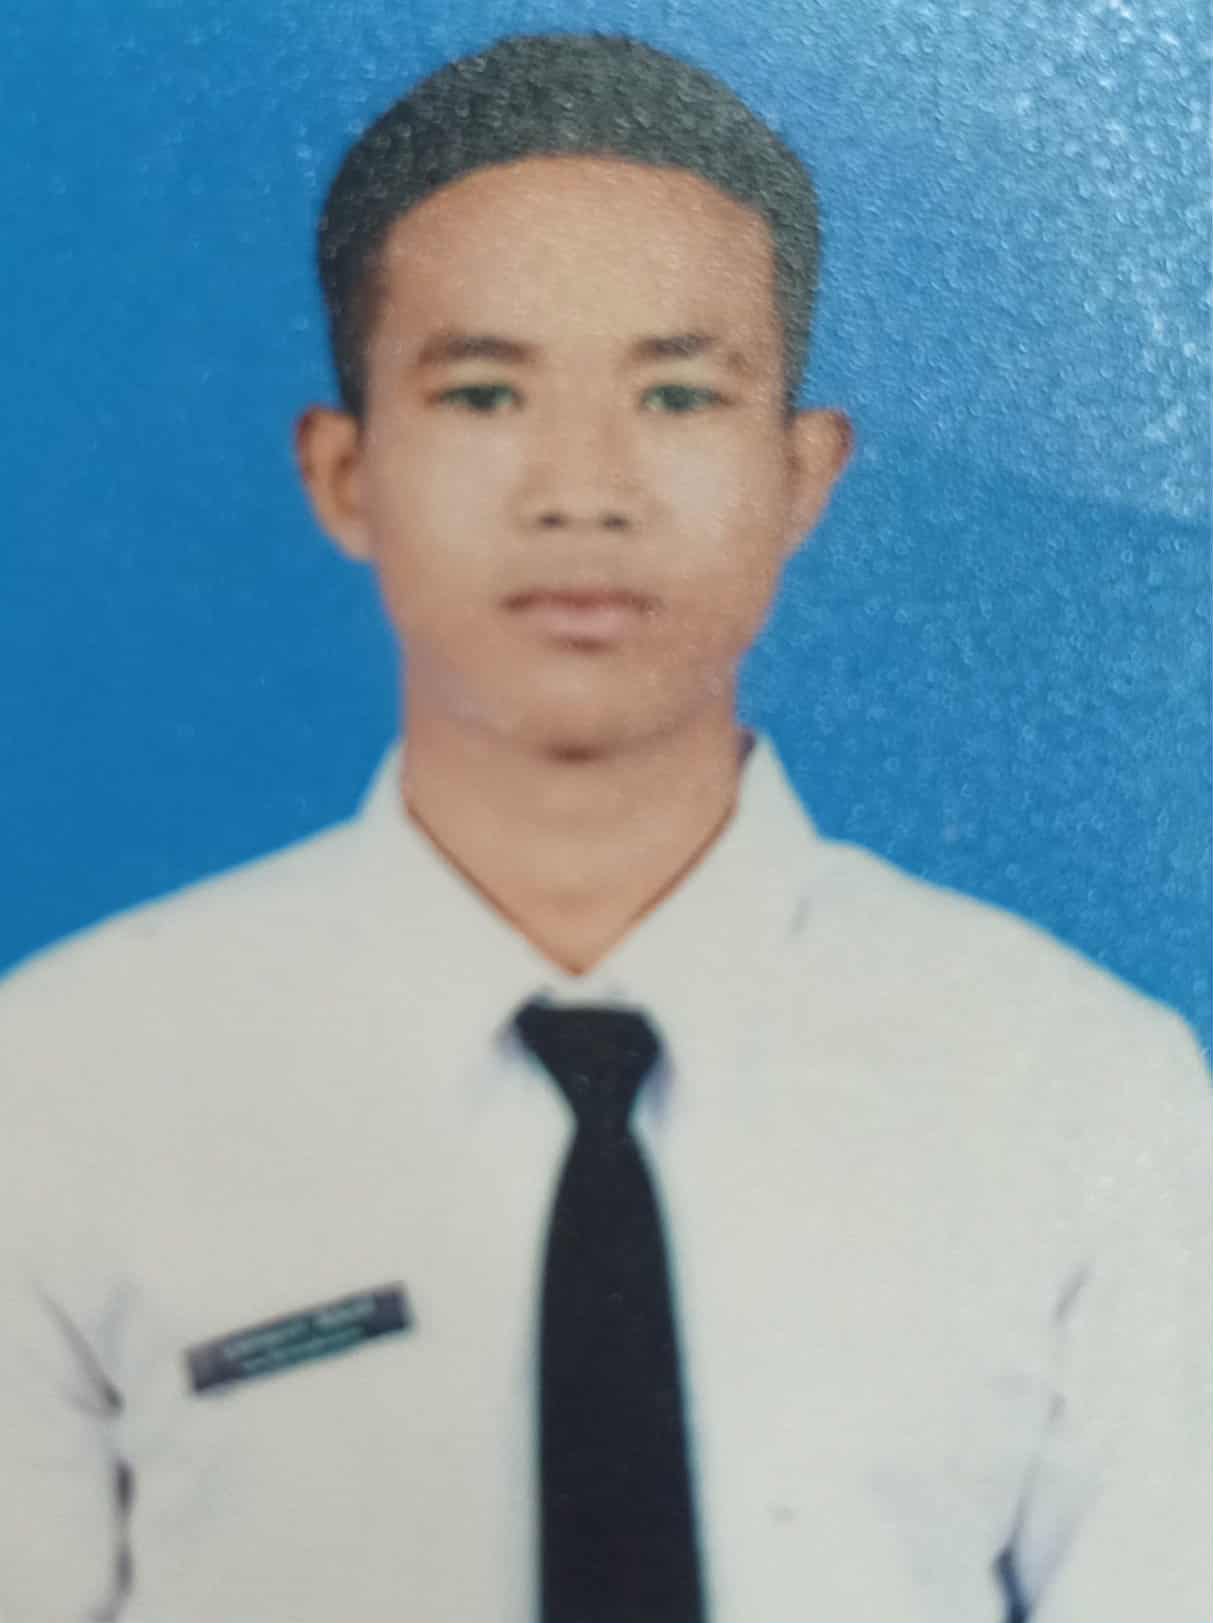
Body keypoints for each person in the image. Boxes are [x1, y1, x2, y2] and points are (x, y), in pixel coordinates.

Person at [0, 32, 1208, 1623]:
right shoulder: (64, 1084)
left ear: (802, 475)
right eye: (485, 392)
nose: (583, 490)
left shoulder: (1080, 1091)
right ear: (346, 472)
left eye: (676, 394)